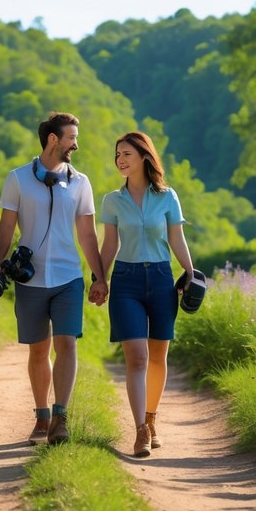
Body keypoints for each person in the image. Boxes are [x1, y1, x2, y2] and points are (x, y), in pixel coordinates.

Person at [0, 111, 108, 446]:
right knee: (38, 351)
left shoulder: (80, 182)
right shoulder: (18, 178)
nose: (76, 145)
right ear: (53, 139)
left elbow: (87, 235)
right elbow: (6, 227)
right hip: (29, 279)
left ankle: (60, 417)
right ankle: (41, 417)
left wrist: (99, 276)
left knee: (66, 343)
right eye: (71, 138)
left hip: (68, 277)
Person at [98, 131, 195, 457]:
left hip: (161, 278)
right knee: (136, 357)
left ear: (143, 156)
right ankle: (140, 429)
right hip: (126, 282)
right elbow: (110, 244)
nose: (120, 160)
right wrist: (100, 278)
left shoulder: (167, 197)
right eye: (117, 155)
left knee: (157, 357)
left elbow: (177, 239)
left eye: (126, 154)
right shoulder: (112, 200)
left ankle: (152, 419)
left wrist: (192, 273)